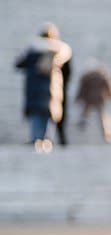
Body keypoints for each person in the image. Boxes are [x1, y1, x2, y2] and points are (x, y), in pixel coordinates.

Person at [15, 24, 71, 152]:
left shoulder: (32, 51)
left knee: (36, 118)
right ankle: (46, 142)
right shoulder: (58, 53)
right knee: (48, 118)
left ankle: (36, 140)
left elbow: (18, 64)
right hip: (51, 93)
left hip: (34, 93)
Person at [74, 61, 111, 143]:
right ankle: (108, 133)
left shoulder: (86, 76)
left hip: (88, 98)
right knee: (103, 116)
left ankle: (82, 121)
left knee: (86, 111)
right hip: (100, 98)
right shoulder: (103, 75)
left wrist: (78, 98)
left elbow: (81, 89)